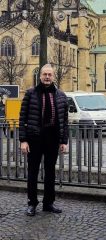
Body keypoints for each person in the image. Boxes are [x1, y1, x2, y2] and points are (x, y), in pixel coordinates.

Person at [19, 64, 68, 216]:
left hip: (52, 139)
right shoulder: (30, 93)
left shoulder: (61, 95)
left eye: (50, 74)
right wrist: (23, 140)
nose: (47, 77)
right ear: (40, 76)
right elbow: (22, 118)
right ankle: (32, 203)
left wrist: (63, 141)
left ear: (53, 76)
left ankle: (48, 203)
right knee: (33, 172)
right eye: (45, 74)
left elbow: (64, 121)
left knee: (50, 172)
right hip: (34, 138)